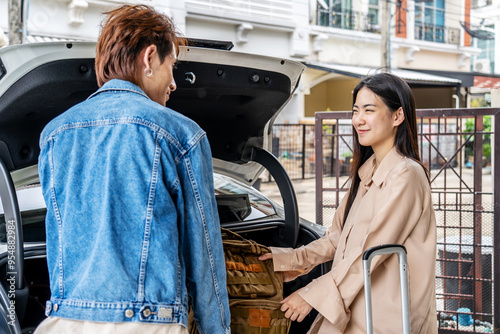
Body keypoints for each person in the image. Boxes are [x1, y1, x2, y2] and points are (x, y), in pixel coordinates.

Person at [35, 4, 230, 334]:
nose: (174, 83)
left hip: (63, 322)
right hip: (148, 324)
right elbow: (205, 256)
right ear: (150, 57)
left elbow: (57, 242)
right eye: (172, 67)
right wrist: (217, 329)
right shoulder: (180, 134)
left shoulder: (54, 134)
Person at [260, 72, 437, 333]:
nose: (358, 120)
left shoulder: (406, 175)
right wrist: (287, 261)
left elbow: (371, 253)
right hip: (354, 304)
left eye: (369, 110)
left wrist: (312, 293)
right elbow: (336, 239)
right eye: (355, 111)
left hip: (384, 316)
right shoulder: (367, 173)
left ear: (397, 116)